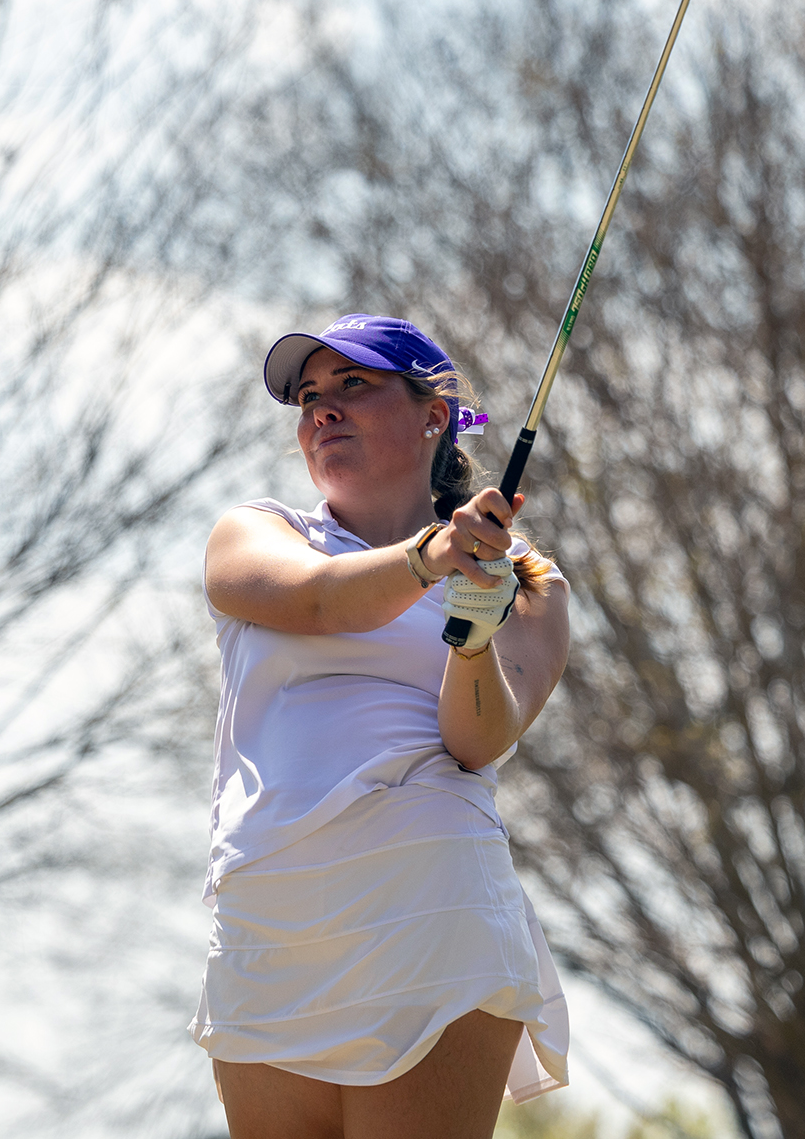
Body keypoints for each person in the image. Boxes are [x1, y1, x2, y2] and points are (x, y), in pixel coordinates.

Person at [192, 315, 572, 1139]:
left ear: (434, 413)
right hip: (271, 923)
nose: (322, 409)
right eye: (308, 397)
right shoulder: (256, 533)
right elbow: (321, 598)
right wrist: (431, 560)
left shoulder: (527, 582)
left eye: (353, 385)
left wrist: (469, 631)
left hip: (428, 908)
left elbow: (476, 741)